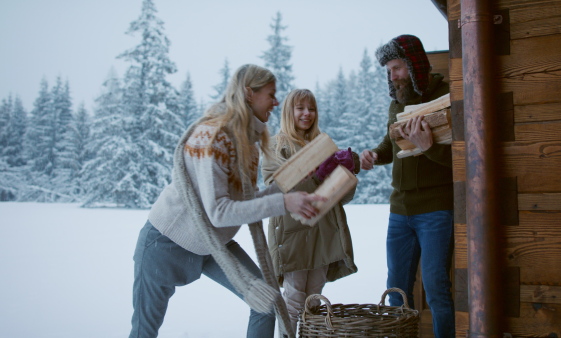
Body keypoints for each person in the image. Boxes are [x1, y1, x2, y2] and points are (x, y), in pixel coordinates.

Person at [129, 64, 326, 338]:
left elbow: (246, 202)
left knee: (265, 301)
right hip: (166, 243)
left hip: (213, 245)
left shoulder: (248, 142)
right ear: (248, 94)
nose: (276, 101)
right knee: (143, 332)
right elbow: (219, 212)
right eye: (270, 94)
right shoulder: (212, 136)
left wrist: (288, 184)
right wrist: (284, 203)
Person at [359, 35, 455, 337]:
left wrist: (429, 147)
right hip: (399, 210)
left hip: (436, 210)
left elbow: (463, 158)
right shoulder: (396, 103)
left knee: (436, 287)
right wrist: (375, 154)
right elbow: (391, 142)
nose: (393, 76)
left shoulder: (448, 95)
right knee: (396, 289)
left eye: (397, 68)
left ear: (413, 65)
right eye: (388, 70)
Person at [261, 89, 359, 335]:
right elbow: (277, 187)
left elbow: (340, 197)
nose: (307, 114)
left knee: (314, 301)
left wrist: (346, 175)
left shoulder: (323, 145)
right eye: (300, 108)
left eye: (311, 108)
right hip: (293, 234)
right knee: (293, 301)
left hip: (322, 234)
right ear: (288, 112)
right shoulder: (276, 145)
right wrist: (319, 175)